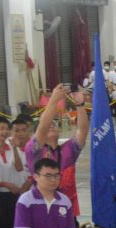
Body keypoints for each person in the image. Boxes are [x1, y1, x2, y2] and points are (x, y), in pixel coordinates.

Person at [26, 84, 88, 217]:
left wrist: (80, 105)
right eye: (49, 125)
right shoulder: (34, 151)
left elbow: (82, 130)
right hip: (42, 210)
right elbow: (43, 126)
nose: (51, 126)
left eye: (53, 124)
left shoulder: (68, 150)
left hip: (67, 212)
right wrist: (53, 100)